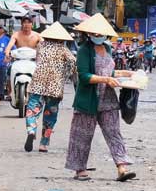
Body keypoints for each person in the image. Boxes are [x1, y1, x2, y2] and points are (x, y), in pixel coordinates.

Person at [66, 14, 135, 182]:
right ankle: (80, 169)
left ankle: (122, 167)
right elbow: (83, 76)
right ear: (89, 34)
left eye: (100, 34)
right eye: (94, 34)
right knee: (82, 135)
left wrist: (125, 74)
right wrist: (105, 79)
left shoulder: (108, 48)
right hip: (88, 100)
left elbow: (109, 72)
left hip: (108, 99)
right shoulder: (84, 50)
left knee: (114, 133)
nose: (97, 37)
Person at [24, 22, 76, 153]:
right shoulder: (63, 49)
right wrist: (65, 75)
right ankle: (43, 144)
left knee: (32, 110)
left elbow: (37, 61)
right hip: (54, 87)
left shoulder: (41, 46)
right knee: (50, 115)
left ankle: (31, 131)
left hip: (37, 83)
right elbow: (73, 62)